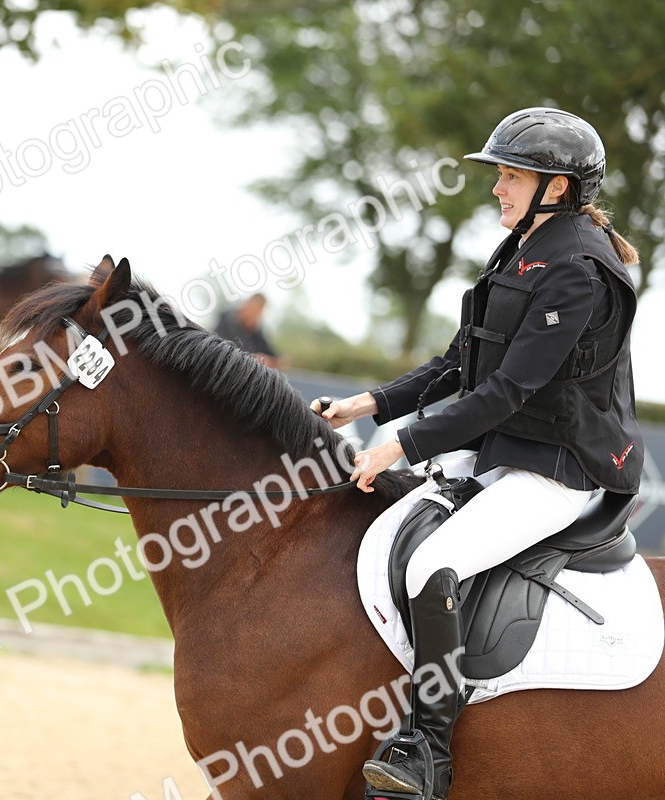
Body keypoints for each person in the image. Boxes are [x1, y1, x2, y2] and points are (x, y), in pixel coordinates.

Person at [313, 107, 643, 799]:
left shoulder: (580, 270)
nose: (497, 188)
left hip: (563, 466)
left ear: (557, 187)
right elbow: (460, 362)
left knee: (436, 562)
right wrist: (370, 406)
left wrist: (399, 442)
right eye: (500, 174)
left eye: (511, 176)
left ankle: (426, 749)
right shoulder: (526, 247)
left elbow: (509, 392)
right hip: (509, 449)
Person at [215, 293, 283, 368]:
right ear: (246, 305)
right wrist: (253, 359)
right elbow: (220, 351)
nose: (255, 316)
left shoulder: (256, 332)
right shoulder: (226, 322)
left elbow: (270, 353)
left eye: (258, 313)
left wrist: (275, 361)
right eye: (253, 310)